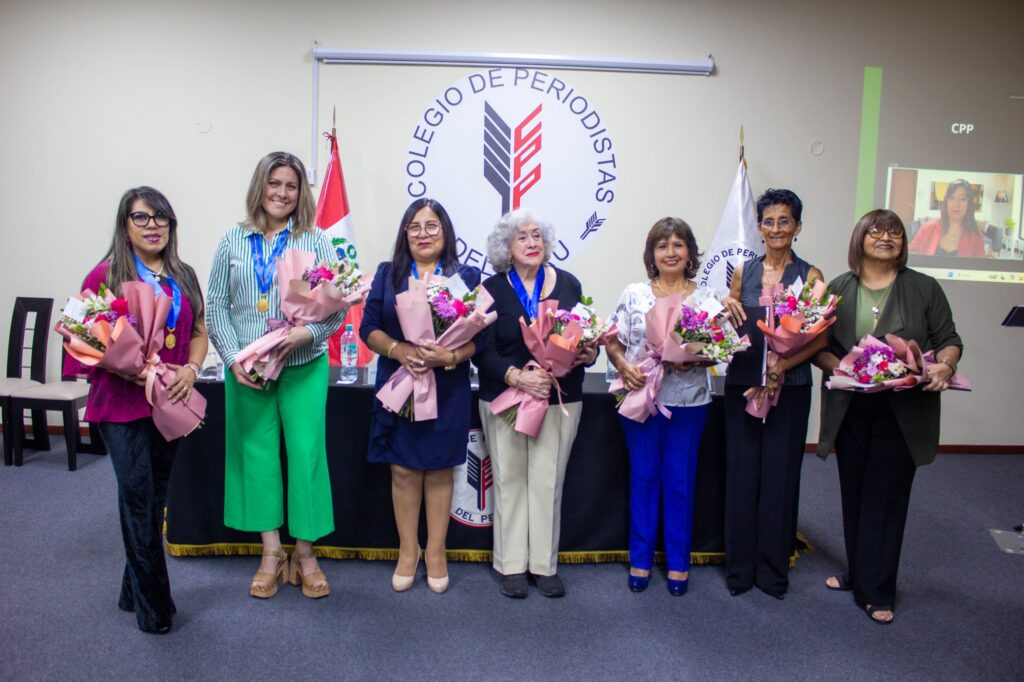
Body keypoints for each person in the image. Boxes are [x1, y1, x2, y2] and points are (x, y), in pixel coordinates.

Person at [64, 186, 208, 633]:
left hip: (169, 402)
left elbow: (199, 329)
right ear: (125, 224)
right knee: (139, 497)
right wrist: (133, 371)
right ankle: (155, 609)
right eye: (142, 217)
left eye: (161, 218)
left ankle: (132, 591)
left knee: (153, 498)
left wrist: (191, 367)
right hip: (120, 406)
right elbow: (82, 337)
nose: (153, 226)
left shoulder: (182, 274)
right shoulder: (104, 275)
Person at [207, 151, 344, 599]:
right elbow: (216, 307)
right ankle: (270, 552)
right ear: (259, 187)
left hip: (303, 366)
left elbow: (337, 310)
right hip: (248, 368)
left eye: (291, 185)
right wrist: (231, 358)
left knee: (306, 456)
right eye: (275, 183)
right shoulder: (232, 239)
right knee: (257, 456)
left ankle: (305, 553)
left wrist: (308, 332)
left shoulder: (316, 240)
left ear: (301, 192)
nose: (282, 193)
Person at [816, 209, 962, 625]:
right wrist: (842, 369)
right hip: (851, 407)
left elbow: (949, 340)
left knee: (888, 496)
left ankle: (879, 589)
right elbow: (819, 345)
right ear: (859, 238)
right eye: (877, 231)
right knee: (855, 492)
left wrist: (945, 367)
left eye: (895, 232)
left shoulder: (923, 288)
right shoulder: (839, 288)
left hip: (903, 409)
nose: (887, 237)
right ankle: (857, 572)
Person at [474, 210, 597, 598]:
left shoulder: (569, 284)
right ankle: (511, 566)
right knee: (509, 479)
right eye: (523, 237)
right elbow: (480, 348)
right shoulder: (490, 288)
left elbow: (585, 338)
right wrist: (516, 376)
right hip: (504, 395)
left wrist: (587, 354)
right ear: (507, 249)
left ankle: (544, 565)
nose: (532, 242)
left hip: (558, 397)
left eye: (537, 236)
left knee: (548, 480)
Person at [360, 198, 480, 594]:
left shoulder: (463, 276)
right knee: (404, 470)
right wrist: (400, 350)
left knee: (440, 470)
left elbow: (481, 339)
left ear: (445, 232)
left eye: (432, 226)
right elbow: (369, 328)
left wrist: (450, 355)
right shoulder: (388, 274)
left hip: (446, 386)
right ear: (405, 234)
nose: (423, 233)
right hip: (399, 384)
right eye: (415, 227)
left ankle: (436, 552)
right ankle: (408, 551)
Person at [721, 188, 826, 599]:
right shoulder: (741, 272)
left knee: (781, 480)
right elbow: (729, 327)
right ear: (759, 226)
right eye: (769, 221)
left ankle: (772, 572)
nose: (776, 228)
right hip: (743, 386)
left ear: (797, 227)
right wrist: (726, 315)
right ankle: (740, 570)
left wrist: (783, 366)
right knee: (742, 476)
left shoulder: (811, 275)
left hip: (792, 387)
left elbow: (821, 338)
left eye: (785, 221)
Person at [604, 218, 713, 595]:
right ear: (651, 254)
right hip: (641, 400)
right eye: (662, 246)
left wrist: (692, 358)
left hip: (690, 402)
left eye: (678, 244)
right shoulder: (635, 294)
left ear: (690, 252)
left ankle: (679, 564)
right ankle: (640, 559)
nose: (671, 252)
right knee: (644, 477)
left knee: (680, 482)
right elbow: (611, 340)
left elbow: (718, 348)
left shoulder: (706, 298)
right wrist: (623, 366)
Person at [909, 180, 986, 257]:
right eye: (951, 198)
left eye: (962, 199)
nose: (956, 204)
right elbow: (909, 255)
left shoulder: (976, 236)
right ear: (946, 202)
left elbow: (980, 266)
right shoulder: (927, 228)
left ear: (969, 204)